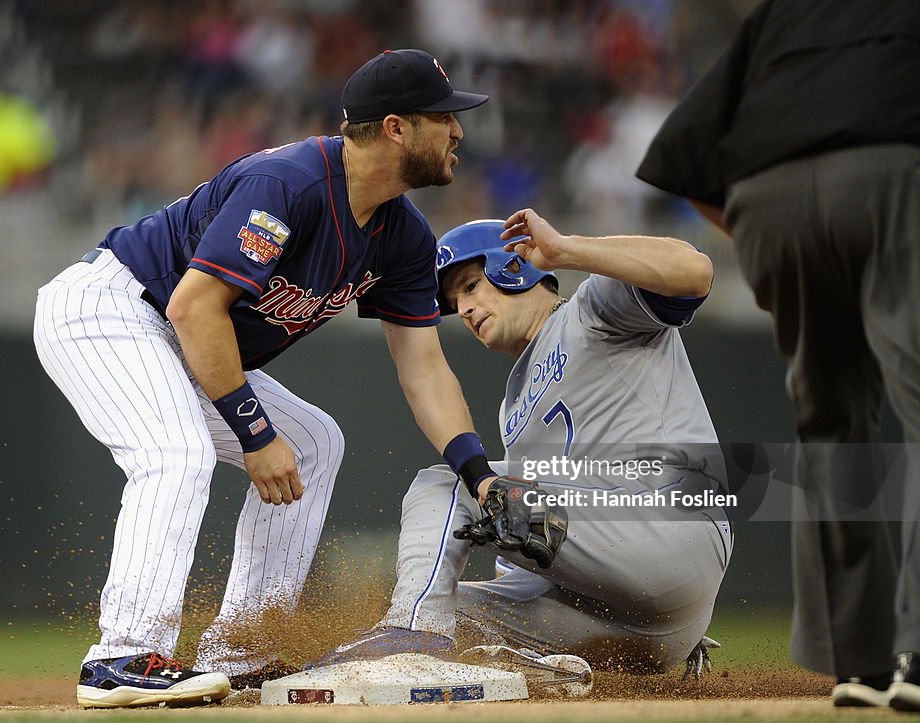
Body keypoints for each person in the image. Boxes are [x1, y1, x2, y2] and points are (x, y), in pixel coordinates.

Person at [33, 48, 500, 709]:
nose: (458, 131)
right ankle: (121, 656)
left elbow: (423, 365)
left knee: (315, 440)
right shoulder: (289, 184)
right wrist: (254, 434)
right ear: (396, 127)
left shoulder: (404, 237)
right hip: (113, 306)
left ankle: (240, 653)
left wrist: (478, 472)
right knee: (177, 454)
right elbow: (193, 307)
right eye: (444, 117)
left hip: (184, 334)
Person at [635, 0, 920, 710]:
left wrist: (777, 238)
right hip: (894, 175)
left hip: (768, 200)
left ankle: (861, 664)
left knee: (833, 426)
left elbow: (684, 158)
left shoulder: (788, 14)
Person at [316, 212, 733, 677]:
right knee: (457, 612)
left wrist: (566, 250)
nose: (465, 308)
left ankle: (412, 635)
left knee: (452, 483)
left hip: (668, 528)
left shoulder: (591, 310)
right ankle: (547, 672)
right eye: (456, 300)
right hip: (637, 623)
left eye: (471, 286)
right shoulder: (513, 406)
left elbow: (695, 271)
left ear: (513, 267)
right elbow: (532, 539)